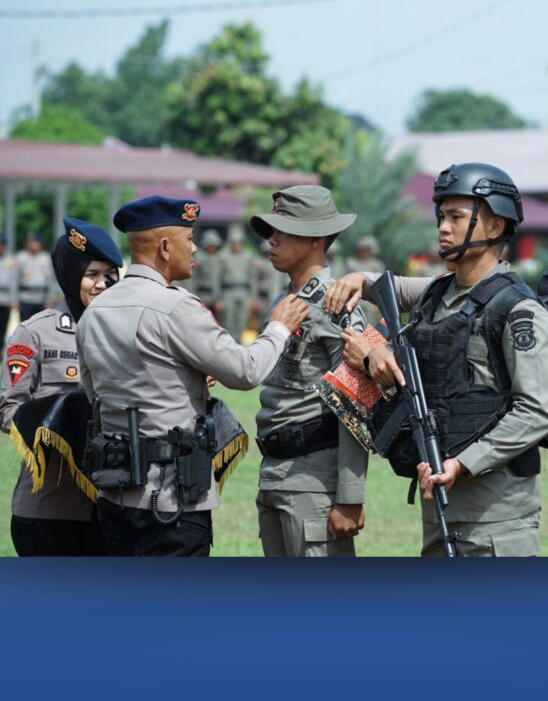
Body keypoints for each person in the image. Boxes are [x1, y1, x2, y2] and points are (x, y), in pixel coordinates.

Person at [325, 163, 548, 557]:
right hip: (440, 512)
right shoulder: (439, 293)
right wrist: (358, 278)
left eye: (456, 217)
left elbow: (536, 411)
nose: (442, 228)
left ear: (496, 227)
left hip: (497, 518)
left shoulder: (518, 310)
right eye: (441, 216)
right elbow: (389, 287)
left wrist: (462, 463)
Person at [76, 195, 309, 556]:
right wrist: (278, 328)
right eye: (189, 239)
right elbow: (246, 372)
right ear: (166, 248)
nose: (196, 248)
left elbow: (93, 392)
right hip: (170, 500)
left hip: (115, 492)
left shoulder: (95, 309)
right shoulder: (176, 307)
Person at [250, 185, 368, 557]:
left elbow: (355, 402)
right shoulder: (286, 298)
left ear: (315, 237)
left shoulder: (337, 304)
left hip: (314, 480)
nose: (272, 238)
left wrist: (349, 497)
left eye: (282, 229)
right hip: (276, 472)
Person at [0, 217, 123, 556]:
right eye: (91, 274)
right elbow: (8, 408)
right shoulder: (35, 332)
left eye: (108, 275)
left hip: (113, 504)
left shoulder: (127, 333)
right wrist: (57, 426)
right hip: (50, 507)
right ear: (70, 276)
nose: (101, 284)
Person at [219, 224, 254, 342]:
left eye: (238, 242)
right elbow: (218, 278)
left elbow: (252, 278)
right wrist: (219, 298)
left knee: (242, 322)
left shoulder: (247, 256)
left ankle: (239, 346)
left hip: (243, 292)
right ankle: (228, 346)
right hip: (228, 292)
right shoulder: (223, 256)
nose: (236, 244)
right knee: (228, 323)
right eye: (234, 242)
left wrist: (251, 297)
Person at [15, 231, 56, 321]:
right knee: (25, 326)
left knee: (40, 326)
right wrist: (14, 298)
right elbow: (14, 280)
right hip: (25, 297)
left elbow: (50, 280)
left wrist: (50, 297)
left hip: (41, 298)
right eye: (32, 241)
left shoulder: (46, 258)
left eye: (36, 241)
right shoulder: (20, 257)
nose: (34, 244)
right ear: (27, 243)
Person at [190, 228, 224, 320]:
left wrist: (219, 298)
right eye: (210, 244)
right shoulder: (199, 258)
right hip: (202, 294)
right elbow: (193, 278)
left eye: (214, 244)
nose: (212, 246)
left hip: (216, 297)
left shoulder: (220, 259)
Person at [0, 233, 17, 347]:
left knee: (3, 327)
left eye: (3, 244)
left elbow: (14, 281)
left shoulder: (10, 260)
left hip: (5, 298)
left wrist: (13, 298)